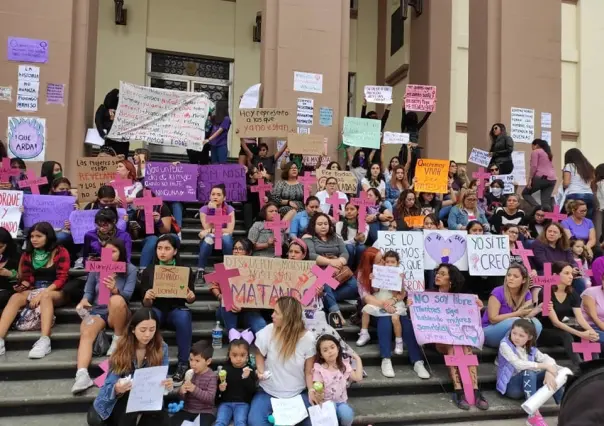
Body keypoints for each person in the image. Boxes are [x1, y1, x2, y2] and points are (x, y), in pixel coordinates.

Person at [72, 238, 137, 394]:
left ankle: (117, 338)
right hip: (98, 310)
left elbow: (127, 295)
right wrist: (83, 301)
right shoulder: (97, 268)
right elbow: (88, 292)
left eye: (113, 251)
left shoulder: (130, 269)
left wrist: (114, 289)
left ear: (121, 253)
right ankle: (82, 374)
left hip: (118, 311)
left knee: (116, 300)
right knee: (87, 331)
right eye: (106, 251)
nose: (109, 254)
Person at [88, 308, 172, 426]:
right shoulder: (122, 348)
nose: (147, 334)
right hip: (123, 397)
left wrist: (167, 384)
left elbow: (162, 374)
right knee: (127, 410)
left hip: (148, 397)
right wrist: (117, 388)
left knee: (161, 419)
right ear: (133, 329)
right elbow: (110, 382)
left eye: (152, 330)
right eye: (143, 330)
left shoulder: (162, 347)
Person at [356, 248, 429, 379]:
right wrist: (385, 305)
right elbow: (367, 297)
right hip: (376, 307)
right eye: (380, 261)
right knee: (385, 321)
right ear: (371, 264)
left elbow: (402, 293)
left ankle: (418, 361)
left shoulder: (396, 272)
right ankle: (386, 359)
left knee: (406, 323)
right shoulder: (364, 274)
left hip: (395, 304)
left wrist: (393, 300)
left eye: (383, 259)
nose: (384, 263)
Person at [0, 222, 69, 358]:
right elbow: (27, 278)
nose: (34, 239)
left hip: (55, 290)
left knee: (45, 297)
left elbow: (61, 279)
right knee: (15, 297)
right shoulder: (28, 254)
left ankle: (45, 340)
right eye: (32, 236)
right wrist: (22, 286)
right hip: (34, 288)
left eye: (39, 236)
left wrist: (43, 292)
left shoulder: (61, 251)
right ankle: (0, 338)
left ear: (48, 237)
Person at [425, 263, 489, 410]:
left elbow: (470, 321)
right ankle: (459, 391)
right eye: (437, 273)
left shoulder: (462, 298)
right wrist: (412, 306)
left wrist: (477, 308)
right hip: (438, 339)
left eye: (442, 274)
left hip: (460, 338)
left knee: (465, 346)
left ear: (451, 280)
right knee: (451, 346)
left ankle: (475, 390)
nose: (437, 276)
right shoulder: (428, 295)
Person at [247, 297, 316, 426]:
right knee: (255, 421)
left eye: (276, 312)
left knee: (311, 422)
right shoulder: (268, 330)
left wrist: (311, 390)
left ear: (288, 316)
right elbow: (259, 354)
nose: (272, 315)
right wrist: (261, 371)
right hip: (268, 391)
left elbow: (308, 372)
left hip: (297, 393)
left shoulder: (308, 339)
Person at [140, 234, 196, 385]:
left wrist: (190, 296)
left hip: (175, 310)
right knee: (147, 316)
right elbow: (145, 303)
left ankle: (183, 364)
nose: (162, 252)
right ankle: (147, 363)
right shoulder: (149, 271)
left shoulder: (185, 270)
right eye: (159, 248)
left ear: (175, 251)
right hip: (157, 309)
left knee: (184, 317)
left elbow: (190, 299)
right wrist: (147, 297)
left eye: (167, 248)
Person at [496, 319, 563, 426]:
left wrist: (549, 372)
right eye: (514, 333)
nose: (516, 337)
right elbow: (518, 364)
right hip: (511, 387)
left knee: (557, 372)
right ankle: (533, 415)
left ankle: (563, 409)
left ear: (529, 337)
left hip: (527, 386)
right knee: (529, 371)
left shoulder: (531, 349)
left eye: (521, 335)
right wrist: (544, 366)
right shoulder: (505, 345)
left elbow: (548, 359)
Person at [535, 262, 599, 366]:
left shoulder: (572, 293)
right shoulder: (545, 292)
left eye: (571, 274)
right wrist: (580, 334)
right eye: (566, 273)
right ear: (555, 276)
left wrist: (591, 332)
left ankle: (594, 367)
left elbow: (580, 319)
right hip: (545, 330)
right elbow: (555, 322)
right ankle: (580, 368)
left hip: (563, 326)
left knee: (588, 334)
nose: (571, 276)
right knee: (567, 335)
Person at [304, 213, 359, 328]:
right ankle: (336, 313)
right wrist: (330, 263)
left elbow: (345, 253)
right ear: (313, 225)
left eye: (325, 224)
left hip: (338, 270)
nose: (323, 226)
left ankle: (324, 297)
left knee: (355, 287)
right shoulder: (308, 238)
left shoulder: (336, 237)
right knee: (325, 279)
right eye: (319, 224)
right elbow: (312, 255)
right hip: (318, 269)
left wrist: (338, 263)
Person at [209, 238, 267, 334]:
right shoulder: (224, 266)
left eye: (240, 249)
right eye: (235, 248)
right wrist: (220, 296)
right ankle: (233, 338)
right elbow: (213, 285)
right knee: (226, 304)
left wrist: (244, 306)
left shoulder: (257, 270)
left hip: (250, 311)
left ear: (248, 253)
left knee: (261, 327)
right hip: (227, 311)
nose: (236, 251)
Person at [482, 263, 542, 348]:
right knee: (516, 322)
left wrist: (537, 310)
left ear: (524, 280)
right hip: (489, 331)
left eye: (515, 276)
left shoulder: (527, 293)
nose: (511, 278)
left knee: (536, 324)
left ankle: (524, 351)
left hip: (512, 328)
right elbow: (493, 319)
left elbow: (525, 317)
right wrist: (516, 314)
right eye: (509, 275)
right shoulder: (497, 292)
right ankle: (505, 355)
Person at [310, 334, 363, 426]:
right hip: (325, 403)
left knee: (347, 414)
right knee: (331, 408)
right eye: (325, 350)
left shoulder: (344, 365)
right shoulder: (319, 370)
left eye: (332, 347)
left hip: (341, 402)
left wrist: (358, 359)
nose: (330, 351)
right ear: (321, 355)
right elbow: (319, 392)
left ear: (338, 348)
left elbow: (358, 377)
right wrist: (319, 394)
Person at [358, 251, 406, 354]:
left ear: (397, 263)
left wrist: (400, 281)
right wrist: (373, 280)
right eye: (387, 261)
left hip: (393, 300)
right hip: (379, 297)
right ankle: (364, 333)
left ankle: (399, 341)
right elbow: (375, 290)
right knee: (366, 311)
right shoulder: (380, 273)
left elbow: (401, 293)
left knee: (395, 318)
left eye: (392, 262)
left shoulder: (399, 274)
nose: (389, 264)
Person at [170, 341, 218, 426]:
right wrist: (181, 391)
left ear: (208, 361)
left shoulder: (212, 376)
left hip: (205, 412)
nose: (193, 364)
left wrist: (194, 389)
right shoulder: (189, 373)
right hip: (187, 410)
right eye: (191, 360)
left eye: (197, 361)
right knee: (171, 422)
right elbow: (182, 398)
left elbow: (210, 398)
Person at [214, 333, 257, 426]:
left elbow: (252, 390)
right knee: (220, 422)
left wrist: (246, 378)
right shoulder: (225, 369)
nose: (238, 359)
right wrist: (221, 389)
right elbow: (218, 391)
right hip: (226, 403)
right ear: (229, 354)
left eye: (242, 355)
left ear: (247, 356)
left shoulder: (249, 370)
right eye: (234, 355)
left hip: (242, 404)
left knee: (240, 422)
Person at [197, 184, 235, 280]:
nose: (215, 197)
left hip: (223, 236)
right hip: (212, 236)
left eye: (218, 194)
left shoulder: (229, 209)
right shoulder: (204, 209)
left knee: (226, 238)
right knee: (207, 240)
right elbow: (207, 227)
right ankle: (200, 270)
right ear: (210, 196)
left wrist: (210, 230)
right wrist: (213, 211)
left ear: (224, 197)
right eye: (213, 194)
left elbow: (230, 230)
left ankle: (229, 268)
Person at [131, 189, 175, 269]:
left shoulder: (162, 208)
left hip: (162, 237)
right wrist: (133, 228)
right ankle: (142, 270)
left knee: (154, 238)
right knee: (152, 239)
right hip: (146, 239)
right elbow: (135, 236)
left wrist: (158, 221)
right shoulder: (137, 212)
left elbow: (166, 230)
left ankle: (143, 269)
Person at [399, 97, 432, 181]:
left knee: (416, 170)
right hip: (406, 150)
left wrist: (431, 105)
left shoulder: (415, 127)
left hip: (415, 151)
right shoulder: (405, 127)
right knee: (406, 168)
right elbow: (403, 113)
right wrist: (404, 101)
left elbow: (425, 118)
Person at [94, 88, 130, 157]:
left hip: (121, 140)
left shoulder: (123, 110)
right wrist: (102, 134)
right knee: (108, 157)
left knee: (121, 158)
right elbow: (98, 122)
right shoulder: (103, 108)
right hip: (108, 138)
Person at [523, 139, 557, 209]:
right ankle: (547, 218)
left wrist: (530, 180)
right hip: (552, 179)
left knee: (525, 193)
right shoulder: (548, 153)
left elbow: (534, 166)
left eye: (532, 146)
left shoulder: (536, 152)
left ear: (536, 145)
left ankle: (536, 207)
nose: (532, 149)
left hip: (541, 178)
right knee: (545, 202)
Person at [562, 148, 595, 218]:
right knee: (586, 221)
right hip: (589, 196)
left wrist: (562, 185)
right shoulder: (589, 167)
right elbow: (592, 183)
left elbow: (566, 183)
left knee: (573, 221)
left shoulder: (569, 166)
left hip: (574, 195)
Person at [336, 202, 367, 270]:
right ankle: (347, 269)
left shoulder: (364, 225)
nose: (349, 211)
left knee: (361, 247)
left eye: (352, 209)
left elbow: (362, 242)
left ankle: (359, 270)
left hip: (357, 250)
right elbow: (340, 243)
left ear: (358, 211)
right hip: (344, 251)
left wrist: (361, 238)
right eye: (347, 209)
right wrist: (354, 239)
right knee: (349, 247)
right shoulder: (339, 224)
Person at [360, 97, 390, 164]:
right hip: (365, 150)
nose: (373, 119)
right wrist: (364, 104)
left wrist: (388, 107)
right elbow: (362, 117)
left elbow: (385, 118)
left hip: (376, 151)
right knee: (364, 165)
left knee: (376, 167)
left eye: (375, 118)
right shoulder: (364, 126)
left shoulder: (378, 126)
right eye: (371, 117)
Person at [0, 228, 20, 310]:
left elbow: (24, 278)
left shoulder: (16, 257)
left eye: (0, 247)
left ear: (7, 245)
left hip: (7, 291)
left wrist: (10, 274)